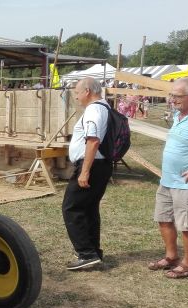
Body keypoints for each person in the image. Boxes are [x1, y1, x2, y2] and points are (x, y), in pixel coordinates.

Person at [62, 77, 113, 270]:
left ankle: (86, 253)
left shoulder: (93, 110)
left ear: (87, 91)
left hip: (92, 165)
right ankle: (93, 251)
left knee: (71, 208)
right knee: (89, 209)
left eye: (77, 92)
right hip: (99, 165)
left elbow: (92, 141)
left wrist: (84, 172)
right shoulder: (103, 107)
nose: (75, 97)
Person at [149, 78, 188, 278]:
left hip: (185, 184)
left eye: (178, 96)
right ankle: (171, 257)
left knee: (186, 225)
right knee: (164, 219)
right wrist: (172, 101)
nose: (173, 99)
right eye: (172, 95)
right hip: (166, 180)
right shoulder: (178, 115)